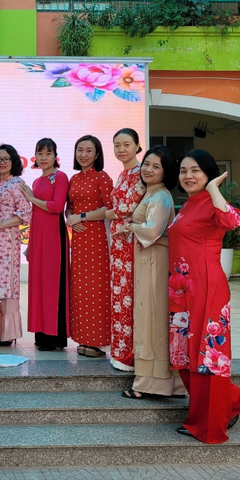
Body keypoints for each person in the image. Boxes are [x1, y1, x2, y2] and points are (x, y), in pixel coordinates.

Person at [168, 149, 240, 444]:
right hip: (182, 291)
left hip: (207, 288)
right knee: (185, 356)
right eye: (183, 171)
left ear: (208, 173)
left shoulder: (212, 202)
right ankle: (230, 402)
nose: (188, 176)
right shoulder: (188, 205)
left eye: (195, 171)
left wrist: (215, 190)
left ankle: (210, 423)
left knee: (207, 356)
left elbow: (233, 222)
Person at [115, 146, 186, 399]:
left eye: (156, 166)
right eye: (147, 164)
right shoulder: (152, 194)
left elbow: (153, 230)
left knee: (152, 319)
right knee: (150, 317)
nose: (148, 169)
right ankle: (170, 383)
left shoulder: (160, 196)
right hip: (148, 259)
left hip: (154, 261)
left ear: (166, 172)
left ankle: (151, 383)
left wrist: (131, 226)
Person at [66, 135, 113, 358]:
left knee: (97, 289)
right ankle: (84, 339)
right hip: (79, 239)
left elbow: (109, 209)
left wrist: (82, 217)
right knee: (81, 290)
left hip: (97, 238)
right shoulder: (74, 178)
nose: (83, 154)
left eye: (88, 150)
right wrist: (70, 218)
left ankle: (99, 341)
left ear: (97, 154)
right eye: (80, 150)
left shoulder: (102, 177)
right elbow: (69, 207)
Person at [20, 138, 69, 351]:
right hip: (38, 238)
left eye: (48, 153)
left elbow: (57, 206)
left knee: (52, 285)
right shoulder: (38, 181)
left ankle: (55, 337)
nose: (43, 157)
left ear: (55, 156)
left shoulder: (60, 177)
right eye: (40, 153)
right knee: (39, 285)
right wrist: (30, 244)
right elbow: (34, 216)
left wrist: (31, 198)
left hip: (53, 237)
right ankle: (41, 336)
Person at [106, 128, 146, 371]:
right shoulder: (122, 175)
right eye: (117, 145)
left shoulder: (141, 172)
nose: (121, 149)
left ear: (137, 146)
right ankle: (120, 351)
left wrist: (108, 213)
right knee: (120, 296)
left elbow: (125, 208)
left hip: (131, 240)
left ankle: (130, 354)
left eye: (127, 144)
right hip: (119, 242)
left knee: (129, 297)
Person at [0, 144, 32, 346]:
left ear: (14, 161)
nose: (2, 162)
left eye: (6, 158)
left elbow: (25, 215)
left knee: (8, 282)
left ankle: (8, 333)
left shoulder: (18, 183)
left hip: (8, 238)